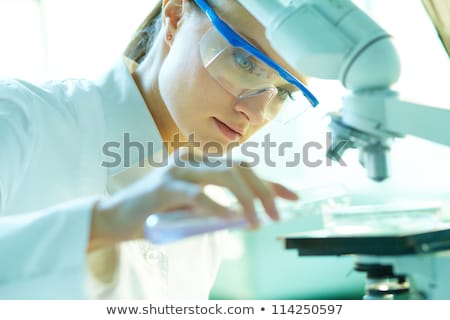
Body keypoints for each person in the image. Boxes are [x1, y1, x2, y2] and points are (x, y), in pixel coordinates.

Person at [0, 0, 318, 299]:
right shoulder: (17, 117)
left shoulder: (204, 215)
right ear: (176, 17)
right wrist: (109, 222)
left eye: (285, 93)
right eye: (245, 61)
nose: (259, 112)